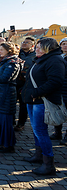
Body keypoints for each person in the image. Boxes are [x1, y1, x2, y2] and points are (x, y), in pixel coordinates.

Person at [22, 38, 65, 175]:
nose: (36, 49)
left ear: (48, 48)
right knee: (36, 130)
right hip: (33, 99)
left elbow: (55, 81)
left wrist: (36, 93)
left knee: (41, 131)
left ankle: (49, 164)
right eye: (36, 47)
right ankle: (38, 155)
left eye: (40, 47)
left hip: (42, 100)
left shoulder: (55, 60)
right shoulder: (40, 59)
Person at [14, 37, 36, 131]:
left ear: (32, 45)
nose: (24, 43)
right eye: (23, 42)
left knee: (23, 104)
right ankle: (12, 120)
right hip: (16, 81)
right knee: (12, 102)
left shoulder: (35, 55)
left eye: (27, 42)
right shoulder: (18, 54)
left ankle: (21, 123)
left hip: (27, 83)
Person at [49, 37, 67, 144]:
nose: (65, 45)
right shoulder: (58, 57)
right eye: (63, 43)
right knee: (57, 111)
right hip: (58, 88)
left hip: (65, 87)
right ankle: (57, 132)